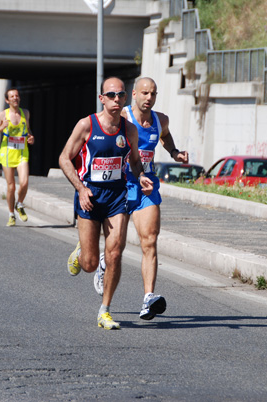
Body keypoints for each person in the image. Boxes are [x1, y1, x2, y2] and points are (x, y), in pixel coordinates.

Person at [59, 77, 153, 330]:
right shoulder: (86, 125)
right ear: (102, 99)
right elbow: (64, 159)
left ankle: (105, 310)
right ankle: (81, 251)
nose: (116, 99)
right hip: (89, 196)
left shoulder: (129, 129)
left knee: (114, 253)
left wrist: (141, 175)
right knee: (90, 264)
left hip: (116, 197)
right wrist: (80, 189)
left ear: (125, 98)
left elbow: (134, 161)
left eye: (120, 95)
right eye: (110, 95)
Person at [93, 77, 189, 321]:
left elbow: (165, 136)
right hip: (121, 185)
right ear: (133, 94)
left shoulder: (160, 120)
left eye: (153, 94)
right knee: (118, 246)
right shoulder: (120, 116)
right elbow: (100, 138)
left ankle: (148, 298)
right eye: (145, 93)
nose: (149, 98)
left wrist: (175, 153)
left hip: (147, 185)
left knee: (150, 240)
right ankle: (105, 260)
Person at [0, 88, 35, 226]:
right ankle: (11, 214)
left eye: (17, 95)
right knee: (11, 187)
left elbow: (28, 130)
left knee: (25, 182)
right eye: (12, 96)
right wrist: (1, 127)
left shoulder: (25, 113)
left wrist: (31, 137)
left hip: (22, 152)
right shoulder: (3, 115)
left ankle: (19, 204)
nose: (15, 98)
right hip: (7, 153)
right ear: (7, 100)